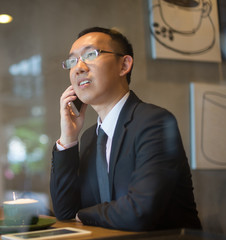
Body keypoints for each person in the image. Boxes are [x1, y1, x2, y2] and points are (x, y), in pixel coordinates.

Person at [49, 27, 202, 231]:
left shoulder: (154, 123)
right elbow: (65, 212)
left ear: (124, 65)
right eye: (72, 61)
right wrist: (68, 139)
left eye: (90, 54)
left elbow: (139, 211)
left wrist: (83, 214)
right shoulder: (89, 137)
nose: (79, 67)